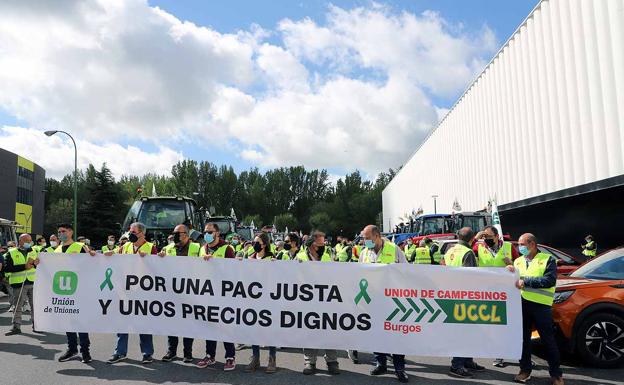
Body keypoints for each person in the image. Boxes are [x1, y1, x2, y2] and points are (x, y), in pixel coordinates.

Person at [507, 233, 563, 385]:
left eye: (522, 245)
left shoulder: (547, 259)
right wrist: (509, 271)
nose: (520, 248)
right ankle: (525, 370)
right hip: (521, 305)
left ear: (532, 244)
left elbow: (549, 280)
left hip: (541, 306)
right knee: (523, 340)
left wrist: (525, 281)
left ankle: (556, 375)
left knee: (548, 340)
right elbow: (514, 280)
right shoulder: (518, 261)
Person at [359, 225, 409, 383]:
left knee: (396, 334)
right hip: (373, 300)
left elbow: (406, 271)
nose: (365, 241)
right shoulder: (364, 253)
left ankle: (399, 368)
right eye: (364, 238)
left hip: (393, 301)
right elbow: (359, 274)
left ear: (377, 236)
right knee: (376, 333)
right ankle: (380, 363)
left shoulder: (394, 250)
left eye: (367, 238)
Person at [107, 222, 157, 365]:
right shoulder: (125, 247)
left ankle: (147, 353)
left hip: (143, 291)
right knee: (122, 321)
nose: (130, 234)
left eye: (133, 232)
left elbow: (158, 269)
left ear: (142, 233)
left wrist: (149, 260)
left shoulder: (151, 248)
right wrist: (101, 255)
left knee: (144, 323)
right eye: (130, 231)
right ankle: (120, 352)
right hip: (125, 290)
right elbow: (113, 254)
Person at [442, 227, 485, 378]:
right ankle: (457, 365)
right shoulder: (468, 253)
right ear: (472, 239)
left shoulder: (450, 251)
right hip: (464, 298)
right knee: (464, 332)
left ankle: (467, 360)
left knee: (466, 332)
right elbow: (470, 278)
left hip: (451, 295)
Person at [473, 225, 517, 367]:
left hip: (507, 293)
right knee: (492, 324)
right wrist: (476, 238)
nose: (486, 239)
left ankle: (512, 352)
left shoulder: (509, 247)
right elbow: (466, 247)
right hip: (487, 292)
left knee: (506, 324)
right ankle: (498, 353)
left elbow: (521, 266)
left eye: (489, 237)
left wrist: (512, 265)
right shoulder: (479, 247)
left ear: (497, 236)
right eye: (484, 237)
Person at [297, 230, 340, 375]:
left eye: (324, 243)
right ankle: (310, 361)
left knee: (329, 331)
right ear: (311, 244)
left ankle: (332, 361)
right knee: (309, 332)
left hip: (327, 301)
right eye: (320, 244)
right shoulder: (300, 257)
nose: (323, 246)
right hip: (307, 302)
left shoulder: (327, 257)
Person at [197, 222, 237, 371]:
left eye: (210, 231)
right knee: (209, 327)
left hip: (224, 295)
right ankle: (210, 355)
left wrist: (215, 265)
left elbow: (233, 272)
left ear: (218, 233)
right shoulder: (202, 249)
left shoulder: (227, 249)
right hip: (207, 294)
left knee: (225, 326)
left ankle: (230, 357)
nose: (207, 234)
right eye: (205, 231)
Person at [54, 223, 96, 363]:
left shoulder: (80, 247)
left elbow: (91, 264)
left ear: (71, 232)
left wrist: (92, 255)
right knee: (68, 321)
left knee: (81, 321)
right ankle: (72, 349)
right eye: (59, 232)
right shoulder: (57, 249)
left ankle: (85, 352)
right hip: (63, 290)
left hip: (80, 289)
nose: (60, 234)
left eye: (63, 231)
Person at [159, 224, 200, 363]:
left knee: (188, 324)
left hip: (190, 292)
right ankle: (172, 351)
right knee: (172, 323)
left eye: (178, 233)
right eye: (174, 233)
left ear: (186, 234)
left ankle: (188, 353)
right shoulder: (169, 248)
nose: (175, 235)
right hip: (172, 292)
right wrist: (160, 257)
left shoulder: (196, 248)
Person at [245, 232, 277, 373]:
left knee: (269, 329)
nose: (254, 244)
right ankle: (255, 358)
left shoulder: (272, 258)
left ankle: (272, 358)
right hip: (253, 299)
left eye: (257, 242)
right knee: (254, 329)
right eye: (254, 242)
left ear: (264, 244)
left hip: (268, 300)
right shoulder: (250, 258)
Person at [4, 233, 38, 336]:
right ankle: (16, 327)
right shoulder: (11, 252)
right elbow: (7, 268)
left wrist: (36, 264)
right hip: (19, 283)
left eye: (30, 240)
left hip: (32, 281)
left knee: (35, 306)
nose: (29, 243)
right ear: (20, 241)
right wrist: (24, 267)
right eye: (27, 241)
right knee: (17, 306)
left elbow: (38, 266)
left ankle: (36, 325)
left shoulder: (34, 251)